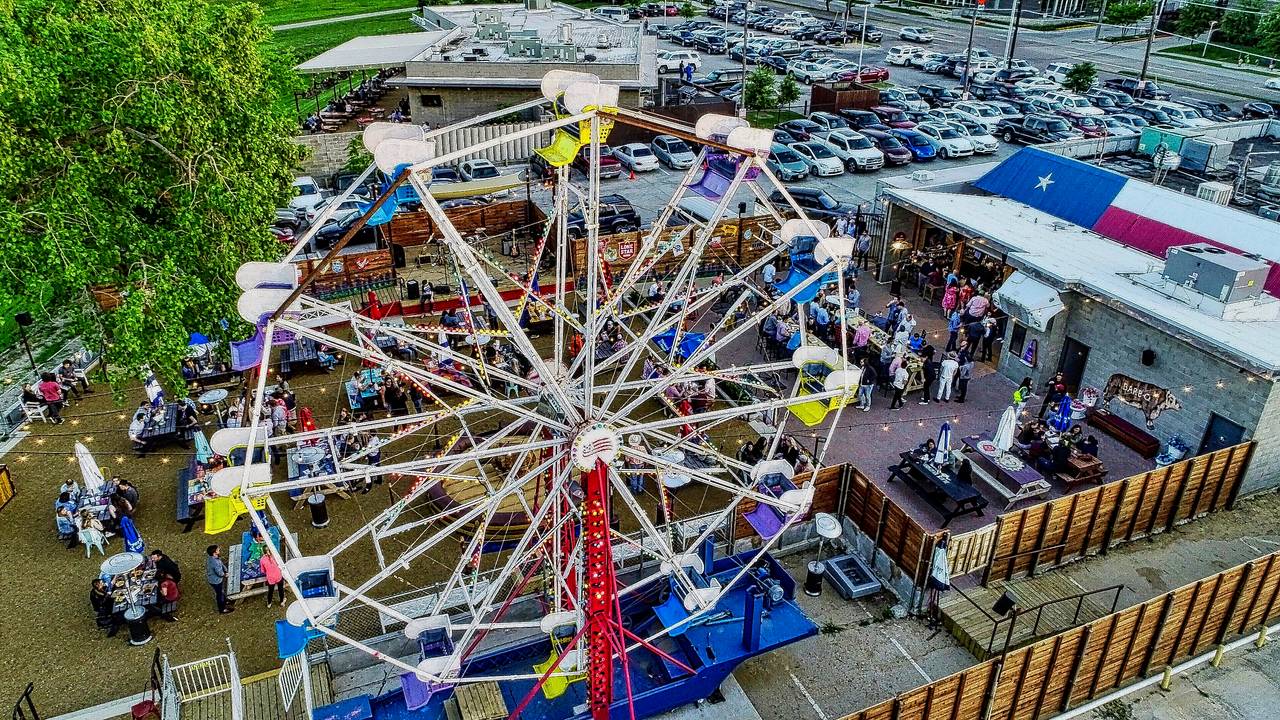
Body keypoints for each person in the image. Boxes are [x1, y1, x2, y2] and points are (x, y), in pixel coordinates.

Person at [206, 545, 231, 614]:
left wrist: (225, 570)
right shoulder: (214, 562)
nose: (219, 550)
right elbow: (219, 572)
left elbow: (221, 564)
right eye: (218, 550)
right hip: (215, 581)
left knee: (221, 591)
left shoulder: (213, 557)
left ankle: (225, 600)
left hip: (214, 579)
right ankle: (222, 609)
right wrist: (225, 574)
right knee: (219, 594)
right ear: (214, 553)